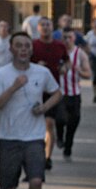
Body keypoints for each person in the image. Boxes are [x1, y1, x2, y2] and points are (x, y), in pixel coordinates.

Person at [0, 32, 62, 189]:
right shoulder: (1, 75)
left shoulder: (42, 72)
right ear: (11, 49)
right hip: (9, 138)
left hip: (34, 137)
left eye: (27, 46)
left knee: (36, 181)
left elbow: (57, 93)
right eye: (18, 45)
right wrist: (14, 87)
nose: (23, 49)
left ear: (31, 49)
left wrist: (45, 107)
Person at [32, 17, 69, 170]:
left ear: (52, 27)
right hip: (35, 91)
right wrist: (36, 65)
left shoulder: (59, 45)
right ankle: (34, 153)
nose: (45, 27)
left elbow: (67, 61)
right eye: (42, 25)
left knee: (49, 124)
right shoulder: (33, 45)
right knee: (35, 126)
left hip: (52, 91)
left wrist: (65, 68)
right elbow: (24, 63)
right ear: (38, 28)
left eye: (48, 24)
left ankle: (47, 157)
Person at [57, 29, 92, 160]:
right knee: (60, 119)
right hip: (60, 93)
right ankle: (60, 136)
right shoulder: (58, 52)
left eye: (69, 37)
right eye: (64, 37)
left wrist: (78, 70)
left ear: (74, 39)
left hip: (75, 93)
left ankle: (68, 146)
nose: (67, 40)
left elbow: (88, 74)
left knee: (74, 121)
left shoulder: (80, 54)